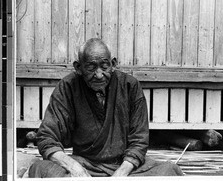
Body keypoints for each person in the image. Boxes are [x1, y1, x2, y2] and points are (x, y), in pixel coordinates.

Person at [29, 38, 183, 177]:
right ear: (78, 67)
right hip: (85, 163)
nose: (99, 75)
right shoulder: (68, 87)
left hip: (125, 166)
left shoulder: (130, 86)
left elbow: (139, 140)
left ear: (113, 64)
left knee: (168, 171)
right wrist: (75, 169)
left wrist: (120, 175)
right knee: (40, 169)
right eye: (91, 68)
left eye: (104, 66)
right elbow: (47, 138)